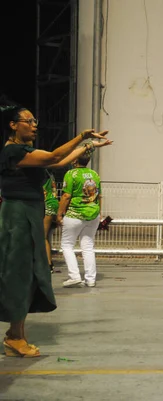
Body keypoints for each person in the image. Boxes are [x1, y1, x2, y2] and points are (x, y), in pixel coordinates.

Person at [0, 101, 109, 357]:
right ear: (13, 125)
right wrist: (82, 136)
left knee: (27, 274)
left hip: (28, 214)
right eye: (29, 121)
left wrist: (89, 146)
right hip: (18, 216)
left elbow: (59, 164)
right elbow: (54, 157)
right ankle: (14, 336)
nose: (34, 125)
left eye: (35, 121)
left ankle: (17, 335)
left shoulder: (24, 151)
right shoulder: (13, 152)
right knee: (19, 274)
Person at [57, 151, 103, 288]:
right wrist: (99, 211)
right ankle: (90, 279)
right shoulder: (95, 174)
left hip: (75, 214)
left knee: (67, 245)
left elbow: (66, 196)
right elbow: (99, 195)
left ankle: (74, 276)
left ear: (75, 160)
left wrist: (59, 214)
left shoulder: (71, 174)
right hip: (93, 213)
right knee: (88, 246)